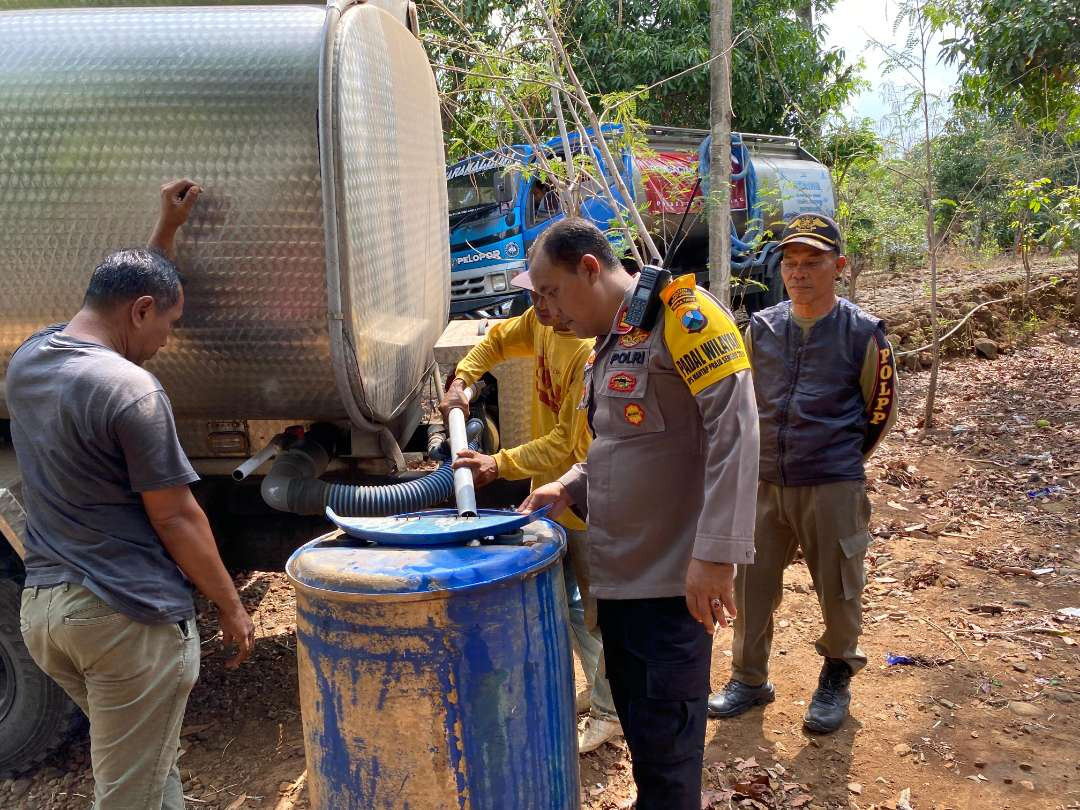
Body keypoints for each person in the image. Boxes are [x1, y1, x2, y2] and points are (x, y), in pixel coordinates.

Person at [9, 179, 256, 809]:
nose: (168, 341)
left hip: (47, 618)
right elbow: (176, 517)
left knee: (147, 767)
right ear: (142, 310)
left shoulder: (30, 359)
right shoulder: (133, 393)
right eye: (169, 323)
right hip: (122, 618)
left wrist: (164, 234)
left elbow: (117, 299)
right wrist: (230, 606)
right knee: (128, 796)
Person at [521, 219, 759, 810]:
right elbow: (625, 445)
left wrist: (715, 555)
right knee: (649, 746)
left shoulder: (682, 317)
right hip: (622, 586)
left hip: (672, 587)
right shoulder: (611, 340)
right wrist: (571, 486)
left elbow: (737, 429)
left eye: (550, 292)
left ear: (588, 267)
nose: (546, 311)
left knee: (672, 761)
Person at [708, 212, 898, 734]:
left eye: (812, 261)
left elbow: (878, 411)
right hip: (764, 480)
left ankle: (837, 673)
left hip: (832, 481)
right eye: (790, 263)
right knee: (751, 586)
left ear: (838, 266)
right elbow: (744, 403)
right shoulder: (763, 328)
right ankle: (749, 679)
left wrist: (839, 459)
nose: (799, 272)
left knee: (838, 587)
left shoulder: (864, 333)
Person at [441, 271, 623, 753]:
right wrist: (463, 379)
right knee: (566, 605)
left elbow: (569, 441)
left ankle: (609, 711)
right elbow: (497, 340)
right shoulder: (540, 322)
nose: (540, 304)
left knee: (599, 612)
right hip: (548, 501)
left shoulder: (585, 349)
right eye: (534, 293)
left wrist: (498, 463)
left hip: (584, 503)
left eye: (549, 294)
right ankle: (602, 692)